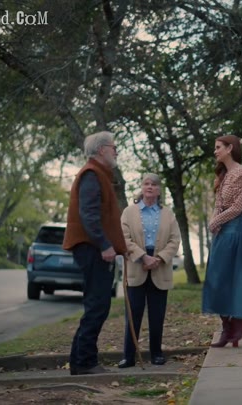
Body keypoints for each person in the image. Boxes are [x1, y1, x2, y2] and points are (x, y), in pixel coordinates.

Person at [62, 131, 127, 375]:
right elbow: (88, 215)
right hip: (92, 249)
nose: (116, 151)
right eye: (113, 147)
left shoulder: (99, 173)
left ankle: (80, 361)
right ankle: (85, 362)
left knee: (97, 305)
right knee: (97, 305)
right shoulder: (91, 174)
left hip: (95, 248)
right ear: (101, 150)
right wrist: (105, 245)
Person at [118, 173, 182, 368]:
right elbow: (124, 238)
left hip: (159, 266)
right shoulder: (129, 212)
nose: (150, 187)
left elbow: (175, 240)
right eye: (146, 183)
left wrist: (159, 258)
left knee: (157, 315)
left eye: (154, 184)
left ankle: (156, 354)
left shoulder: (168, 214)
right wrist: (143, 256)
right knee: (133, 314)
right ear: (141, 187)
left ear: (159, 190)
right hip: (136, 265)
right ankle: (129, 356)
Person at [202, 135, 242, 348]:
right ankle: (229, 326)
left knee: (235, 277)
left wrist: (217, 220)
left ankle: (235, 325)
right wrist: (214, 220)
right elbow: (219, 203)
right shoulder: (223, 175)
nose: (215, 151)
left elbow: (239, 206)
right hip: (222, 231)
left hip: (236, 229)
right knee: (216, 278)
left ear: (229, 148)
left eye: (218, 147)